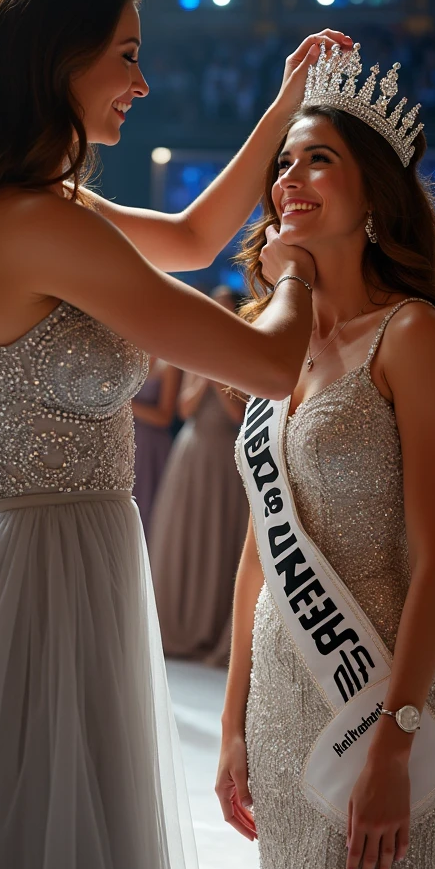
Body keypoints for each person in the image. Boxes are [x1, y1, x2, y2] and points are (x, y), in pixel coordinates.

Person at [0, 0, 350, 869]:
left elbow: (194, 238)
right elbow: (263, 363)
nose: (144, 79)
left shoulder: (46, 204)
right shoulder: (38, 222)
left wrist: (284, 105)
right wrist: (301, 258)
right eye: (126, 52)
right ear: (59, 62)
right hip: (40, 565)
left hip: (72, 545)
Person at [215, 43, 435, 869]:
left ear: (373, 195)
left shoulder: (410, 335)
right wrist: (232, 724)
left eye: (318, 159)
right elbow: (259, 551)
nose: (290, 177)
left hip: (384, 693)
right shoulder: (272, 347)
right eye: (283, 163)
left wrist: (396, 741)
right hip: (284, 696)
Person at [149, 285, 248, 665]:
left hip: (224, 455)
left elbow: (237, 415)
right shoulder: (196, 353)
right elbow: (185, 408)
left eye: (224, 309)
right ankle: (176, 625)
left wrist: (217, 370)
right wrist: (205, 370)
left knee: (216, 540)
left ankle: (207, 629)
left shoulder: (242, 357)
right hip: (191, 451)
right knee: (182, 537)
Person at [132, 356, 182, 534]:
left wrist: (128, 406)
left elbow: (166, 417)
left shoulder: (168, 364)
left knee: (149, 507)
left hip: (153, 447)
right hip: (130, 442)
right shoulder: (132, 356)